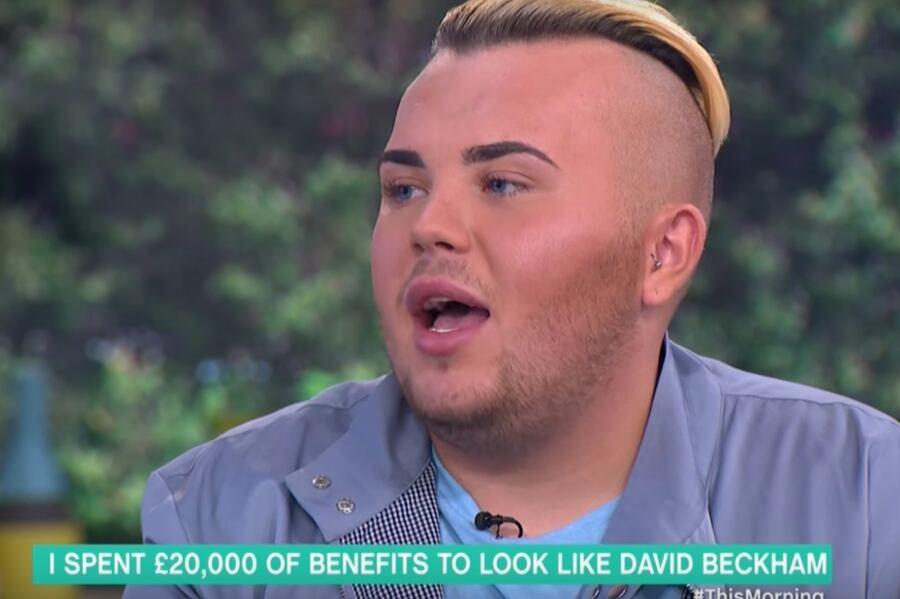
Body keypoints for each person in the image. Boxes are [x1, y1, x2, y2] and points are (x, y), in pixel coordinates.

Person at [124, 1, 900, 598]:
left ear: (663, 253)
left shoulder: (866, 498)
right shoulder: (218, 517)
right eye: (403, 188)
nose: (430, 225)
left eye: (501, 183)